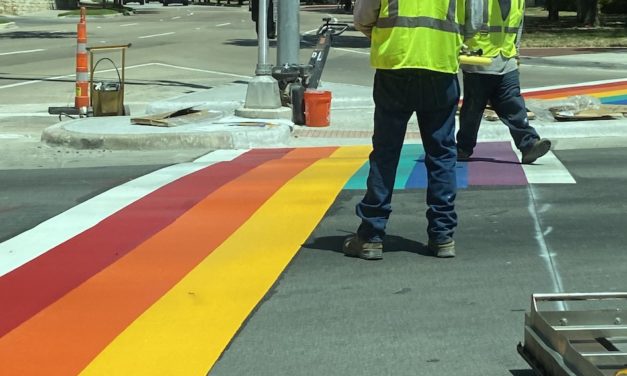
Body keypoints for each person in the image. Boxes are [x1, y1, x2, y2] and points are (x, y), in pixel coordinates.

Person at [344, 0, 484, 260]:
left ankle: (371, 235)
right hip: (439, 68)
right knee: (442, 154)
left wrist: (385, 38)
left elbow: (363, 17)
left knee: (386, 153)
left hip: (394, 67)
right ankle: (442, 236)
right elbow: (474, 23)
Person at [457, 0, 551, 164]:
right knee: (473, 108)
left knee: (513, 103)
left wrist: (516, 53)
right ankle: (463, 147)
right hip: (478, 60)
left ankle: (528, 144)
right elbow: (462, 21)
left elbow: (518, 25)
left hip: (506, 59)